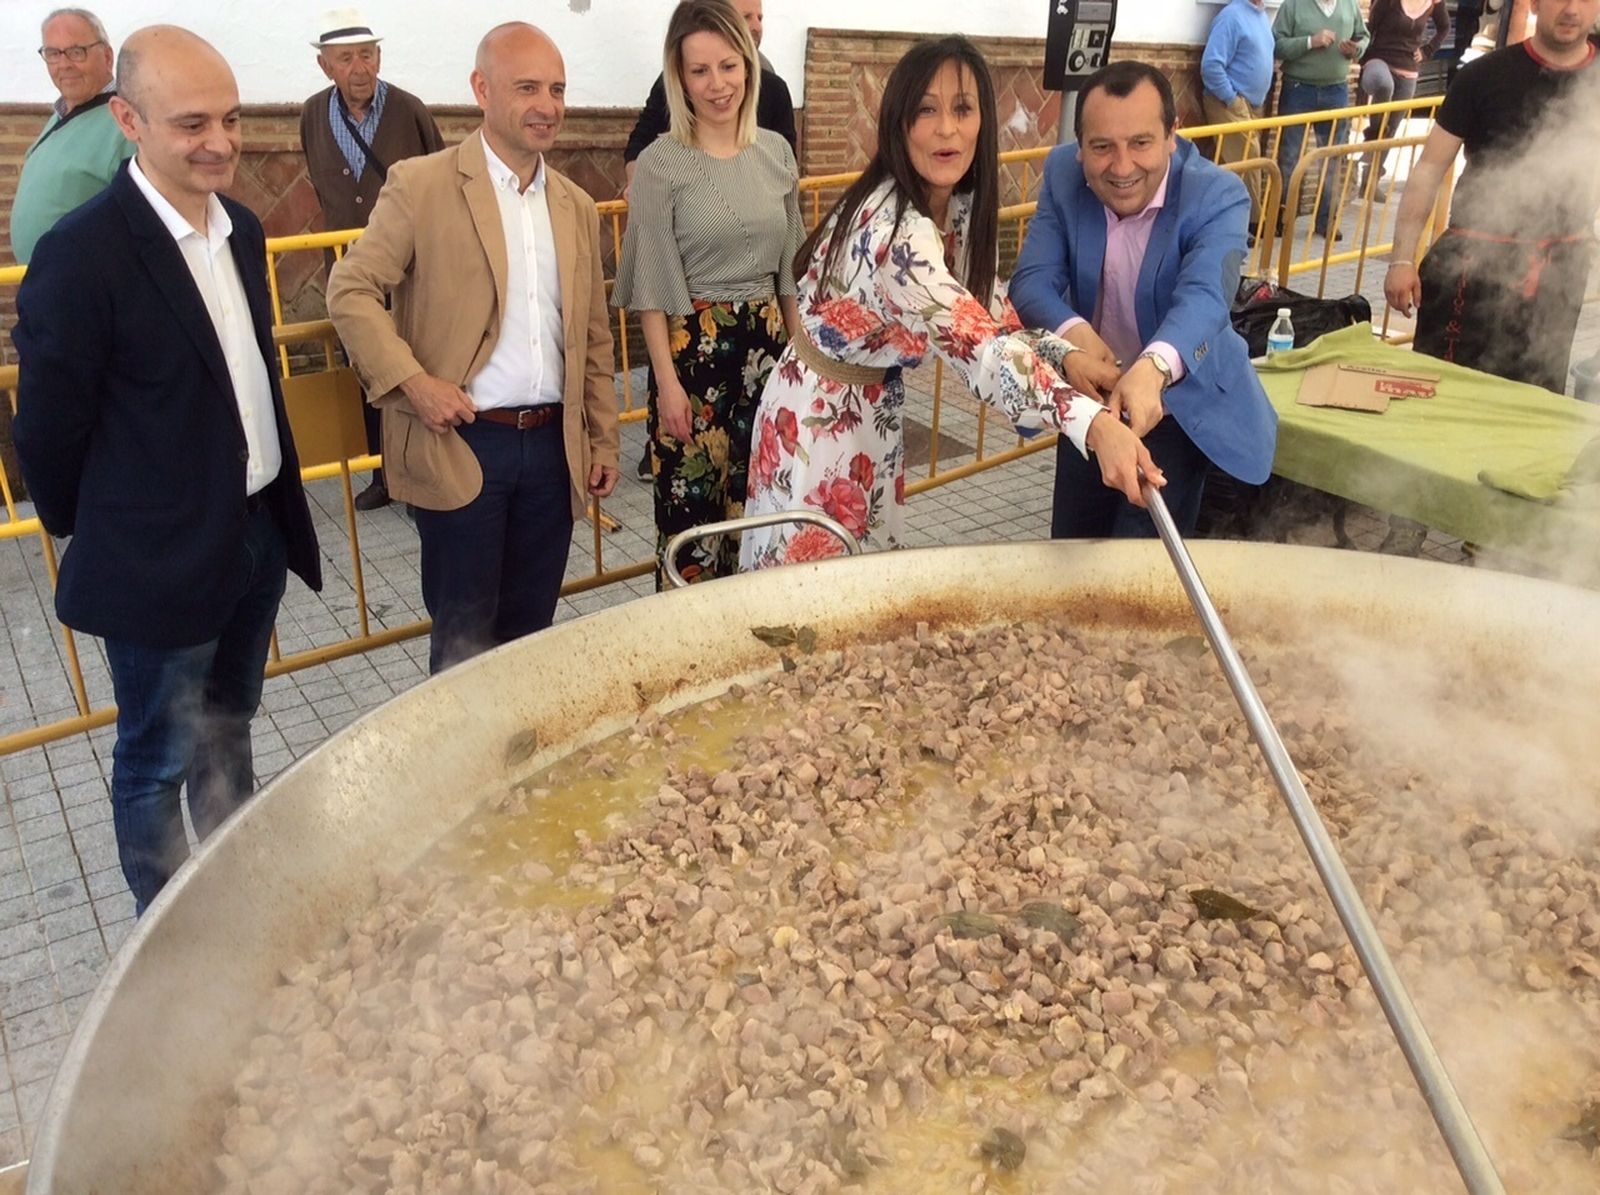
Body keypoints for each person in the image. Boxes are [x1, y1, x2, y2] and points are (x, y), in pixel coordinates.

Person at [11, 26, 323, 915]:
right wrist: (118, 527)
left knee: (228, 731)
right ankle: (172, 946)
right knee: (155, 759)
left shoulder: (242, 228)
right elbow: (48, 432)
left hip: (255, 534)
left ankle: (237, 904)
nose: (219, 140)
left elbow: (242, 372)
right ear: (128, 121)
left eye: (228, 117)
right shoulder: (84, 252)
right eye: (192, 123)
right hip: (157, 559)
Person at [738, 37, 1161, 570]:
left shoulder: (953, 205)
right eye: (926, 111)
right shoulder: (900, 236)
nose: (946, 130)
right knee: (810, 594)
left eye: (962, 109)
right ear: (898, 122)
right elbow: (981, 351)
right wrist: (1094, 428)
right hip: (817, 425)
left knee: (858, 577)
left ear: (984, 119)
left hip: (863, 408)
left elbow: (989, 312)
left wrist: (1067, 359)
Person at [327, 22, 621, 673]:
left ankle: (517, 770)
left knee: (529, 634)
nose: (547, 105)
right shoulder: (423, 184)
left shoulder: (574, 204)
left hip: (551, 449)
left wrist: (601, 439)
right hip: (464, 443)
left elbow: (593, 338)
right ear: (481, 89)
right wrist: (414, 383)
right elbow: (350, 290)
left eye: (557, 89)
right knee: (462, 643)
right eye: (527, 88)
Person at [1011, 61, 1278, 540]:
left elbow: (1206, 296)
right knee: (1071, 553)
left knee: (1140, 569)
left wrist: (1152, 370)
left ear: (1172, 135)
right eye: (1102, 148)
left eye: (1140, 143)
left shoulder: (1216, 195)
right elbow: (1031, 280)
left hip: (1178, 408)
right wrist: (1072, 338)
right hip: (1093, 401)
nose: (1122, 167)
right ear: (1079, 149)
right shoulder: (1062, 173)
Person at [613, 0, 802, 586]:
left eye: (728, 66)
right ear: (680, 78)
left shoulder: (776, 152)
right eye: (700, 71)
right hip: (691, 359)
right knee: (691, 526)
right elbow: (651, 285)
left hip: (769, 357)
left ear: (747, 65)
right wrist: (665, 386)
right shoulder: (660, 164)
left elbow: (790, 273)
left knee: (763, 513)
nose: (717, 84)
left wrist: (803, 367)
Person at [1385, 0, 1600, 394]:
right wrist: (1402, 259)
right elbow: (1429, 169)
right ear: (1534, 3)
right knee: (1445, 396)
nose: (1571, 9)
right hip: (1470, 271)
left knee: (1537, 401)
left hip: (1559, 272)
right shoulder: (1483, 76)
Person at [299, 7, 444, 511]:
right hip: (348, 263)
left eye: (366, 55)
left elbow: (438, 177)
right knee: (365, 360)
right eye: (345, 59)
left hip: (407, 262)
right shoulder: (313, 114)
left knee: (415, 356)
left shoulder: (410, 110)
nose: (358, 68)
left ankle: (423, 469)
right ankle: (383, 472)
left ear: (379, 57)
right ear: (326, 67)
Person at [9, 8, 134, 264]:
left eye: (77, 52)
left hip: (88, 288)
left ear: (107, 56)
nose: (64, 64)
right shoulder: (63, 113)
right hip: (47, 283)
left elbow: (144, 218)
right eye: (53, 54)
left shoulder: (126, 122)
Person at [1272, 0, 1370, 239]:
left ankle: (1326, 221)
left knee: (1333, 157)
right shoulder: (1293, 5)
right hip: (1298, 87)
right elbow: (1277, 45)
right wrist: (1310, 42)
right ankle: (1280, 218)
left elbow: (1364, 36)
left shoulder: (1349, 5)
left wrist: (1355, 49)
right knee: (1289, 156)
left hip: (1336, 89)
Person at [1358, 1, 1451, 201]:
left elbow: (1445, 27)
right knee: (1384, 86)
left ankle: (1370, 180)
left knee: (1392, 127)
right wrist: (1361, 57)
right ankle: (1373, 135)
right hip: (1380, 59)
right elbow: (1369, 28)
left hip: (1408, 69)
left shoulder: (1433, 3)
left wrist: (1427, 50)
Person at [1200, 0, 1276, 227]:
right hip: (1229, 102)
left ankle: (1236, 221)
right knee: (1248, 157)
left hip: (1251, 105)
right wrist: (1232, 99)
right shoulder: (1231, 16)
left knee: (1239, 162)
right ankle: (1251, 222)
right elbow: (1211, 65)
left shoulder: (1260, 15)